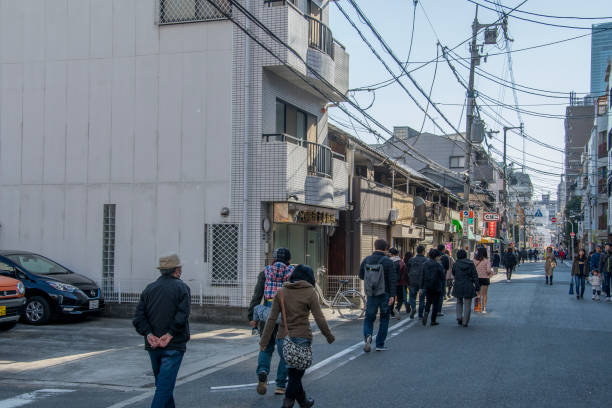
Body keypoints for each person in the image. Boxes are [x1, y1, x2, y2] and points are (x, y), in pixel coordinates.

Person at [260, 265, 334, 408]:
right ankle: (287, 402)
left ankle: (304, 401)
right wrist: (328, 335)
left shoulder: (280, 292)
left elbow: (271, 319)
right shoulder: (310, 292)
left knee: (294, 373)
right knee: (296, 374)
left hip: (283, 340)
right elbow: (319, 318)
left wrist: (264, 341)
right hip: (302, 338)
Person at [133, 254, 190, 408]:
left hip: (153, 345)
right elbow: (182, 315)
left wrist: (148, 334)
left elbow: (138, 317)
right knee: (164, 388)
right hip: (174, 345)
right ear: (177, 270)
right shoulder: (182, 288)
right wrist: (170, 334)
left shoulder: (149, 289)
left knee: (163, 385)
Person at [255, 248, 294, 396]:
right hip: (285, 315)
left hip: (268, 314)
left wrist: (252, 317)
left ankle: (263, 371)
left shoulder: (265, 273)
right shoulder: (292, 273)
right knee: (285, 350)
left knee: (266, 345)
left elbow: (257, 296)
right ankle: (280, 385)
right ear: (288, 260)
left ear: (274, 259)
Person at [359, 239, 396, 352]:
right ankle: (380, 344)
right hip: (385, 293)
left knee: (369, 317)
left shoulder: (367, 260)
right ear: (385, 248)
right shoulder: (388, 262)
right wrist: (393, 295)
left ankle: (368, 336)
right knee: (384, 319)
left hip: (371, 294)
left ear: (374, 247)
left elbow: (361, 275)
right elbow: (392, 279)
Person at [452, 249, 479, 327]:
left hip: (458, 284)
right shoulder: (470, 263)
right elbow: (475, 275)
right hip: (468, 284)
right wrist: (477, 286)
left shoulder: (456, 264)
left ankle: (459, 316)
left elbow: (454, 272)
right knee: (467, 304)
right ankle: (465, 322)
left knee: (459, 301)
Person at [420, 249, 445, 327]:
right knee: (435, 304)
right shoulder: (439, 265)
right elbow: (442, 277)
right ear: (436, 257)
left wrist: (421, 287)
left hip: (427, 286)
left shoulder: (424, 264)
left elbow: (422, 277)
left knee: (428, 301)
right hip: (437, 286)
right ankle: (433, 320)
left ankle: (426, 312)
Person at [407, 245, 427, 320]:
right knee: (422, 298)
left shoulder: (411, 260)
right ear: (423, 251)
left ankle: (413, 307)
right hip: (422, 282)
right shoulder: (426, 260)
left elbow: (407, 270)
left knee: (412, 296)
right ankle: (420, 315)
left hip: (412, 280)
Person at [473, 247, 493, 314]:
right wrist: (490, 272)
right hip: (485, 278)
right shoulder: (487, 260)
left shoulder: (474, 260)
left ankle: (477, 308)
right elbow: (488, 270)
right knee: (484, 294)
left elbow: (472, 269)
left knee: (478, 294)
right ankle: (484, 308)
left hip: (476, 279)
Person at [392, 249, 410, 316]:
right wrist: (407, 283)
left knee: (392, 297)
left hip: (391, 283)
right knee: (401, 298)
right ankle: (397, 309)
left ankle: (391, 312)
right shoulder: (401, 262)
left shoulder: (389, 262)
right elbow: (405, 273)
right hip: (400, 283)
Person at [436, 244, 450, 316]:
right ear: (443, 249)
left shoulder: (433, 255)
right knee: (441, 294)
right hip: (442, 277)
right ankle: (438, 311)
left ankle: (429, 310)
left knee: (433, 294)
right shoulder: (445, 257)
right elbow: (447, 267)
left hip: (432, 278)